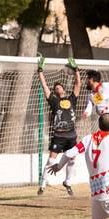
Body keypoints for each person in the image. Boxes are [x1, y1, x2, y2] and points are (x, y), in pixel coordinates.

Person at [37, 55, 80, 196]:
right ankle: (43, 184)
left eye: (59, 86)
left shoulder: (71, 99)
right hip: (59, 135)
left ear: (63, 89)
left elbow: (77, 84)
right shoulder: (54, 101)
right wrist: (40, 71)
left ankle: (67, 182)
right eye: (55, 88)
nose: (57, 88)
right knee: (51, 159)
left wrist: (76, 69)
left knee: (72, 159)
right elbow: (44, 86)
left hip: (71, 135)